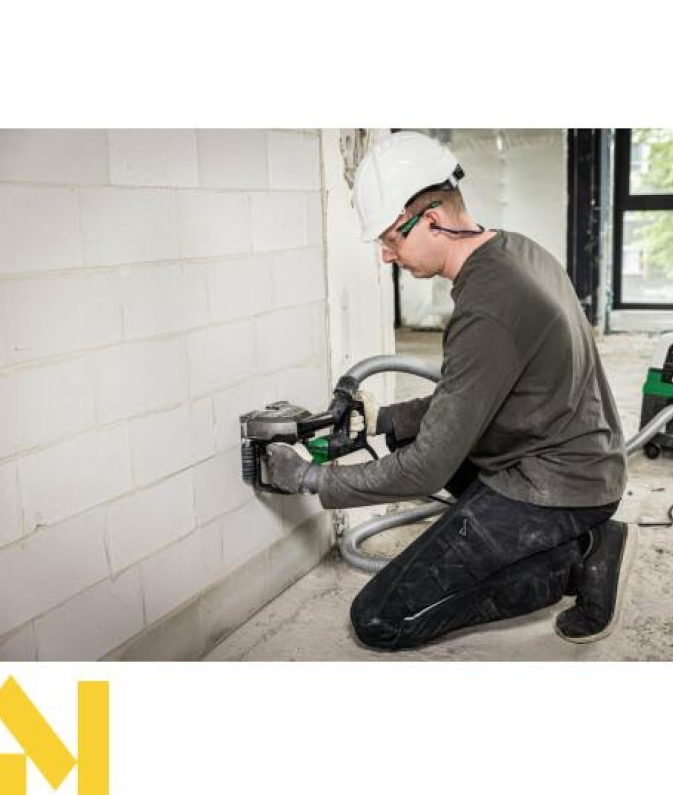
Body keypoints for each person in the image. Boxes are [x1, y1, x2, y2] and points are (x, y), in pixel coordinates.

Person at [265, 131, 632, 650]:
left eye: (390, 239)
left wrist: (311, 479)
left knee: (380, 620)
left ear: (431, 220)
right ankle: (572, 539)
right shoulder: (515, 250)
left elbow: (427, 469)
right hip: (577, 460)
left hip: (560, 488)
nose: (386, 256)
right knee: (410, 439)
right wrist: (381, 420)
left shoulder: (487, 306)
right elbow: (470, 397)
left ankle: (580, 559)